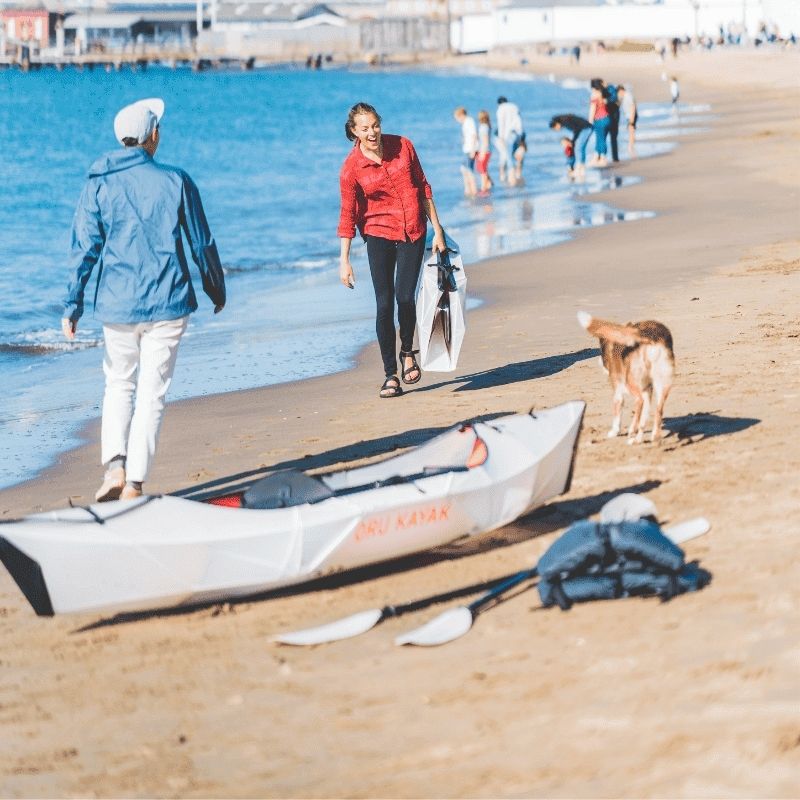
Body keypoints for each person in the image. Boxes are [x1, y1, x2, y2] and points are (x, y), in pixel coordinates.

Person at [62, 98, 226, 502]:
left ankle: (114, 469)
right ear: (153, 136)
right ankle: (135, 484)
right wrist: (215, 288)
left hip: (117, 303)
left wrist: (73, 303)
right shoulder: (177, 180)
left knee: (118, 383)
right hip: (169, 301)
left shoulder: (97, 182)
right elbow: (201, 241)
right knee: (152, 391)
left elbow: (85, 247)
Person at [337, 102, 446, 399]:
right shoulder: (351, 169)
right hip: (378, 234)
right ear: (354, 132)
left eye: (375, 125)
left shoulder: (403, 146)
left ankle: (408, 351)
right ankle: (390, 374)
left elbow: (423, 187)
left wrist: (438, 230)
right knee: (384, 304)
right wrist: (344, 260)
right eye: (365, 128)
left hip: (412, 229)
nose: (372, 132)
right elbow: (348, 214)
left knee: (405, 297)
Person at [496, 96, 525, 185]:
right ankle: (518, 175)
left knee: (508, 157)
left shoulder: (500, 109)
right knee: (519, 155)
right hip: (519, 132)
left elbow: (501, 124)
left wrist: (501, 138)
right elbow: (519, 119)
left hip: (509, 134)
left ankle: (510, 179)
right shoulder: (514, 106)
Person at [453, 106, 478, 197]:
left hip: (470, 149)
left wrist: (472, 150)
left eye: (457, 118)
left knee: (469, 170)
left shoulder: (469, 121)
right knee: (464, 169)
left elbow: (474, 135)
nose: (457, 120)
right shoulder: (466, 122)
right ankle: (468, 189)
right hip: (467, 149)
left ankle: (473, 190)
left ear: (461, 115)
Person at [587, 81, 610, 167]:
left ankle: (602, 157)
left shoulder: (594, 95)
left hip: (599, 119)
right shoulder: (604, 94)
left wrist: (590, 121)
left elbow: (592, 109)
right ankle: (598, 157)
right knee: (602, 138)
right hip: (607, 118)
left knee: (600, 139)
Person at [616, 84, 638, 157]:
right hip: (629, 116)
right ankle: (631, 146)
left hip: (631, 116)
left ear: (621, 90)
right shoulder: (625, 96)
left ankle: (630, 146)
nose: (619, 95)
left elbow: (633, 106)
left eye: (618, 93)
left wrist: (632, 118)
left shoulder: (628, 96)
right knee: (631, 131)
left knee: (631, 131)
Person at [475, 109, 493, 194]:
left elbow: (485, 140)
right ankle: (488, 184)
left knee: (482, 170)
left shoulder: (483, 127)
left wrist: (482, 152)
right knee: (482, 169)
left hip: (484, 151)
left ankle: (484, 189)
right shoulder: (486, 126)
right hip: (485, 150)